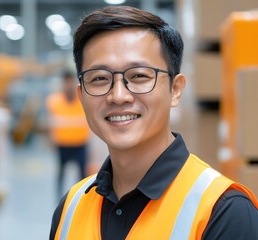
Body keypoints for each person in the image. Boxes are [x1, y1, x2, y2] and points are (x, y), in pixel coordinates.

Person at [49, 6, 258, 240]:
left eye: (139, 76)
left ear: (175, 90)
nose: (118, 95)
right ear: (82, 96)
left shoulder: (224, 212)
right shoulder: (70, 208)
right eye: (99, 79)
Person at [46, 69, 90, 199]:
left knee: (83, 175)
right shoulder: (54, 101)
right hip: (62, 144)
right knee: (60, 173)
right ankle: (59, 200)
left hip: (80, 143)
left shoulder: (83, 99)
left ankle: (83, 198)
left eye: (70, 81)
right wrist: (51, 139)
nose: (68, 85)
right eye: (65, 82)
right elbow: (51, 122)